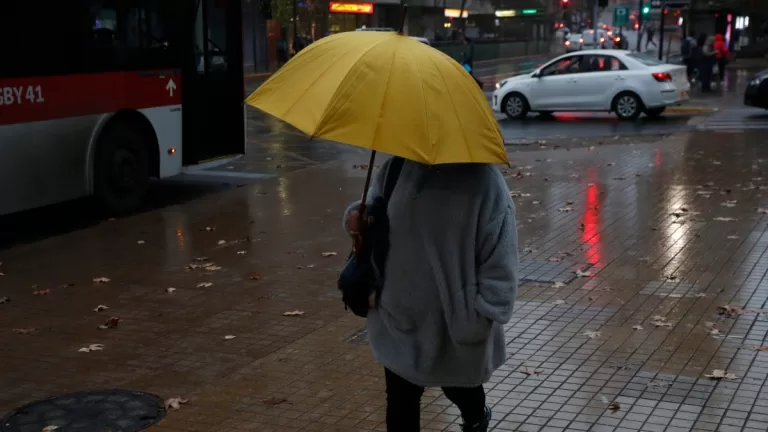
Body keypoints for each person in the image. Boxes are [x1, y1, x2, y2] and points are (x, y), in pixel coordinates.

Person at [343, 159, 519, 432]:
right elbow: (376, 210)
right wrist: (357, 215)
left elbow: (501, 260)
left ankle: (476, 417)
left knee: (460, 391)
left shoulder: (484, 180)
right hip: (399, 315)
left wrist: (482, 315)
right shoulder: (397, 167)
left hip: (455, 321)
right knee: (401, 402)